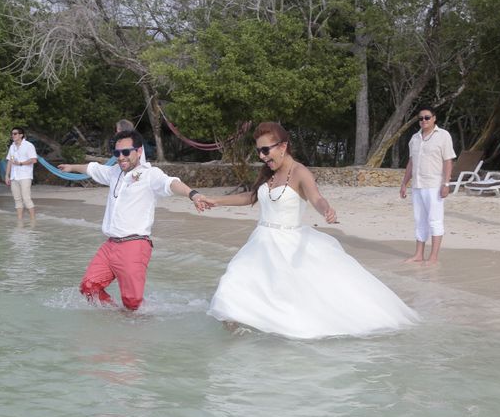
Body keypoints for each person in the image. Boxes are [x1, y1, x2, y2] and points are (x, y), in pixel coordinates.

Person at [200, 122, 418, 339]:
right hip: (260, 242)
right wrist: (216, 200)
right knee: (233, 284)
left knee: (288, 299)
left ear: (282, 146)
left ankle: (274, 333)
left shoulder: (300, 172)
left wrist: (326, 210)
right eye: (259, 151)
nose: (262, 156)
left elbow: (316, 198)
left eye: (266, 150)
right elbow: (251, 197)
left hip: (288, 244)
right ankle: (239, 340)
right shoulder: (268, 174)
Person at [58, 130, 208, 310]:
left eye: (126, 152)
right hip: (110, 245)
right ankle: (115, 319)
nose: (121, 157)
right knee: (88, 287)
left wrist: (193, 194)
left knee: (132, 304)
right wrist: (71, 167)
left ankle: (140, 331)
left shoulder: (150, 174)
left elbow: (171, 183)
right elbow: (92, 168)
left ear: (138, 151)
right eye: (117, 153)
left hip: (134, 245)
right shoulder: (114, 172)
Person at [400, 106, 456, 265]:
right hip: (417, 185)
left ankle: (433, 256)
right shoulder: (414, 138)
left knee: (435, 220)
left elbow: (448, 161)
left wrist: (446, 183)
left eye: (427, 117)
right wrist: (404, 183)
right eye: (421, 118)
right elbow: (411, 162)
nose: (423, 120)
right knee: (419, 220)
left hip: (434, 185)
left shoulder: (443, 136)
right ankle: (418, 254)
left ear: (434, 118)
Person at [5, 127, 38, 220]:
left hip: (25, 175)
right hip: (14, 176)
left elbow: (34, 160)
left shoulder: (28, 145)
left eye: (15, 133)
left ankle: (33, 221)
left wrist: (20, 163)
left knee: (26, 198)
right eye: (12, 134)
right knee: (17, 199)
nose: (13, 135)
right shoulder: (12, 147)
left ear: (21, 135)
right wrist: (7, 175)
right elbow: (9, 161)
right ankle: (19, 221)